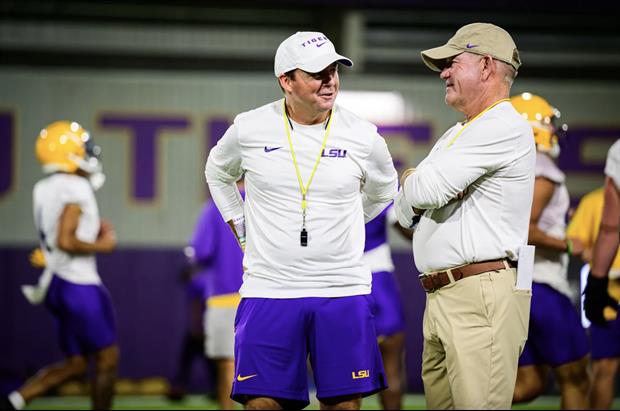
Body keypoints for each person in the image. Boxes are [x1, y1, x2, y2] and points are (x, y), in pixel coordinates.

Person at [205, 31, 398, 410]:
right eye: (316, 73)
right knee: (262, 404)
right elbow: (217, 172)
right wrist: (240, 226)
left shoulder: (364, 135)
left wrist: (348, 221)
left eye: (334, 70)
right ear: (286, 81)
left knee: (344, 405)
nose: (330, 81)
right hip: (269, 290)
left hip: (341, 290)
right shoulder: (249, 127)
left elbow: (384, 188)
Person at [394, 23, 536, 409]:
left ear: (487, 66)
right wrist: (417, 184)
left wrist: (415, 180)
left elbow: (422, 192)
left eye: (452, 62)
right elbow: (402, 212)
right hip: (444, 296)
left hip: (480, 295)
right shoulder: (460, 132)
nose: (443, 73)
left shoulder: (502, 124)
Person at [1, 121, 119, 411]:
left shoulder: (45, 187)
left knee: (77, 364)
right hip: (77, 283)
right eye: (82, 148)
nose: (89, 154)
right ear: (68, 154)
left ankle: (14, 401)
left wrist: (90, 234)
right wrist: (102, 245)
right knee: (107, 359)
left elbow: (60, 234)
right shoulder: (75, 186)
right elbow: (66, 239)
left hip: (56, 282)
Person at [509, 93, 591, 409]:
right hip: (542, 284)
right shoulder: (541, 167)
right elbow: (526, 230)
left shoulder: (513, 166)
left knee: (528, 385)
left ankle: (460, 402)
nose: (554, 130)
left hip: (521, 283)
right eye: (549, 123)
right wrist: (569, 244)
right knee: (577, 377)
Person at [190, 182, 245, 410]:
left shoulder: (216, 207)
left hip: (224, 295)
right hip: (264, 294)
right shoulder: (268, 202)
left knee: (228, 365)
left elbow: (201, 251)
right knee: (261, 366)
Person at [568, 185, 620, 410]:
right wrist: (601, 266)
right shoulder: (594, 201)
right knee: (605, 367)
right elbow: (574, 242)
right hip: (608, 297)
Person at [582, 139, 620, 409]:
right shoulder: (592, 201)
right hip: (615, 296)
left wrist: (597, 280)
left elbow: (610, 228)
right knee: (604, 367)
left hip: (609, 289)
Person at [362, 203, 409, 410]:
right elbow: (408, 229)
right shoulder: (382, 182)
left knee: (338, 378)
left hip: (340, 281)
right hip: (378, 283)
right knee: (391, 370)